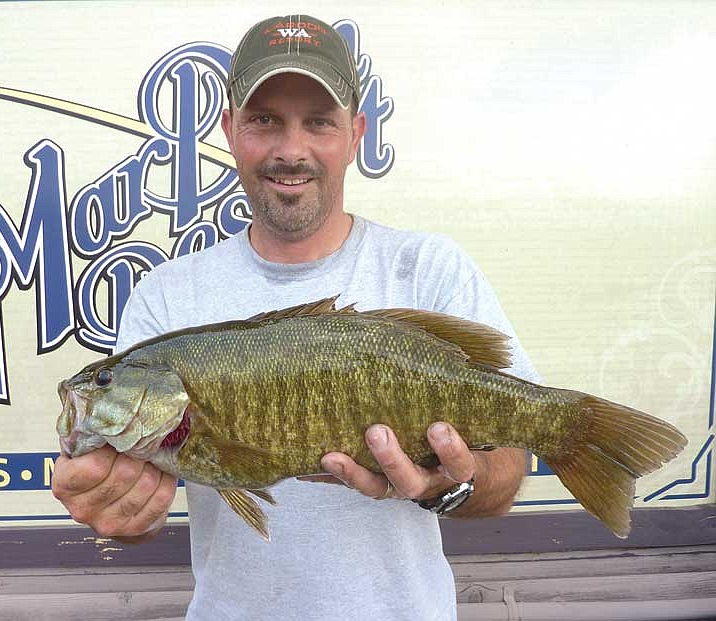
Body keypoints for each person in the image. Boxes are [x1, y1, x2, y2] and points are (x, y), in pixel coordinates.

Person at [52, 14, 539, 620]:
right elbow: (137, 517)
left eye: (319, 121)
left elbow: (506, 473)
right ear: (230, 130)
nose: (290, 148)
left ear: (355, 134)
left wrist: (449, 486)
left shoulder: (430, 268)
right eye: (264, 120)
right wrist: (114, 511)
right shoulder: (167, 296)